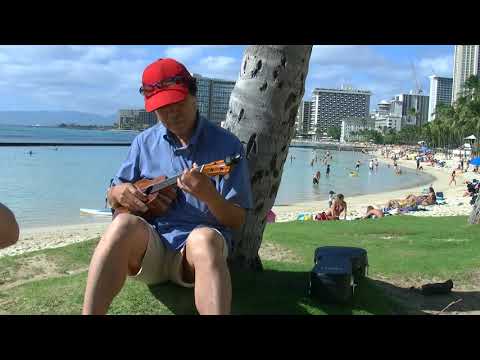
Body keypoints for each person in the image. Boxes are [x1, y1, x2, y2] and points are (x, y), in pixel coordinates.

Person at [82, 58, 253, 315]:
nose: (172, 113)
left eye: (178, 103)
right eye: (162, 108)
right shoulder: (143, 142)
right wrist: (118, 192)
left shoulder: (227, 146)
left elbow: (237, 219)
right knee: (121, 225)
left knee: (205, 239)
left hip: (195, 260)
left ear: (194, 96)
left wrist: (209, 196)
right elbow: (113, 194)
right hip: (151, 252)